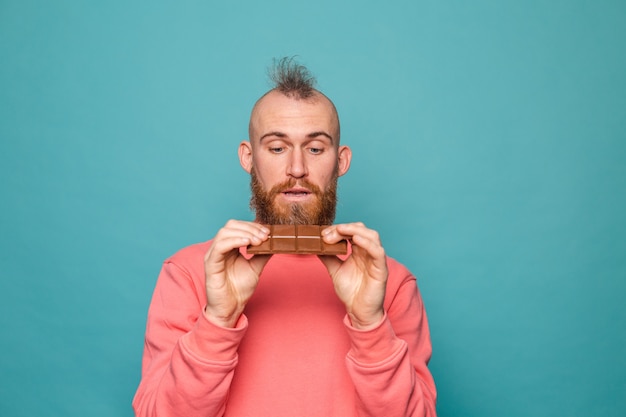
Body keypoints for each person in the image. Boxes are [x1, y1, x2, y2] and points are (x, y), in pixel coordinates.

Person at [132, 57, 437, 417]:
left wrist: (371, 324)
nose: (296, 169)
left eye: (315, 148)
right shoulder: (188, 272)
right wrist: (217, 319)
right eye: (277, 148)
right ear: (248, 157)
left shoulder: (391, 281)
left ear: (341, 161)